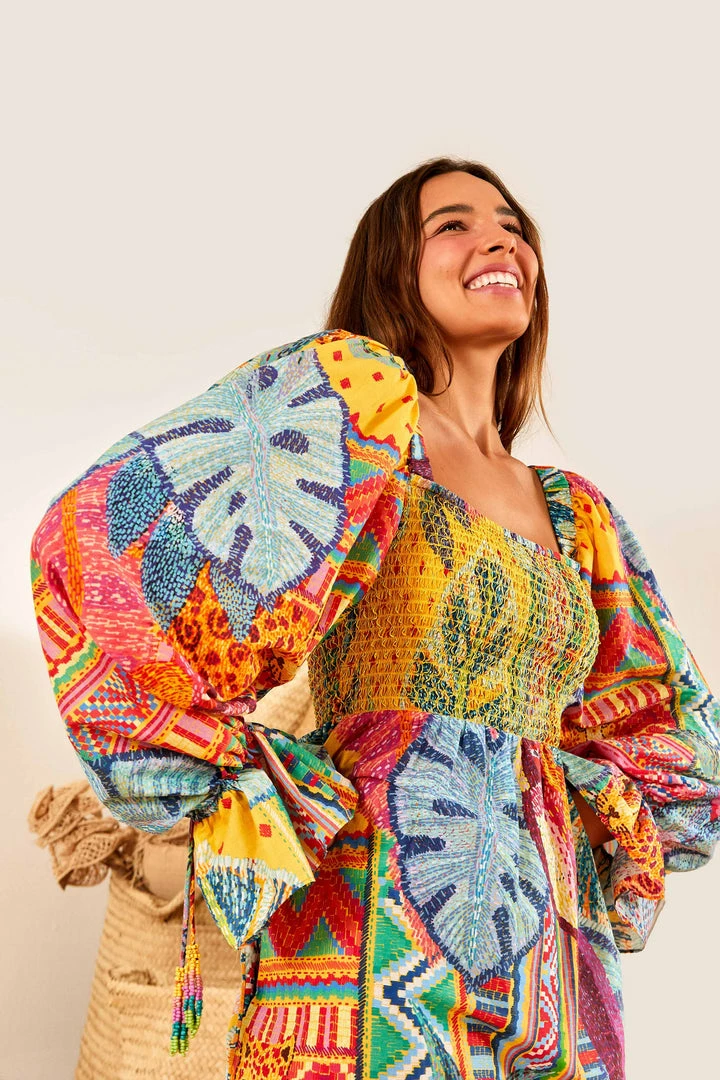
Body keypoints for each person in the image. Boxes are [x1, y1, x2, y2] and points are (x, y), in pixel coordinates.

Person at [30, 157, 720, 1080]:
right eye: (453, 224)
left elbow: (673, 734)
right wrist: (228, 772)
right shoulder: (357, 421)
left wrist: (588, 814)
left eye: (514, 225)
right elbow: (104, 540)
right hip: (373, 910)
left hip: (553, 955)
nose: (500, 239)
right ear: (393, 269)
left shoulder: (576, 514)